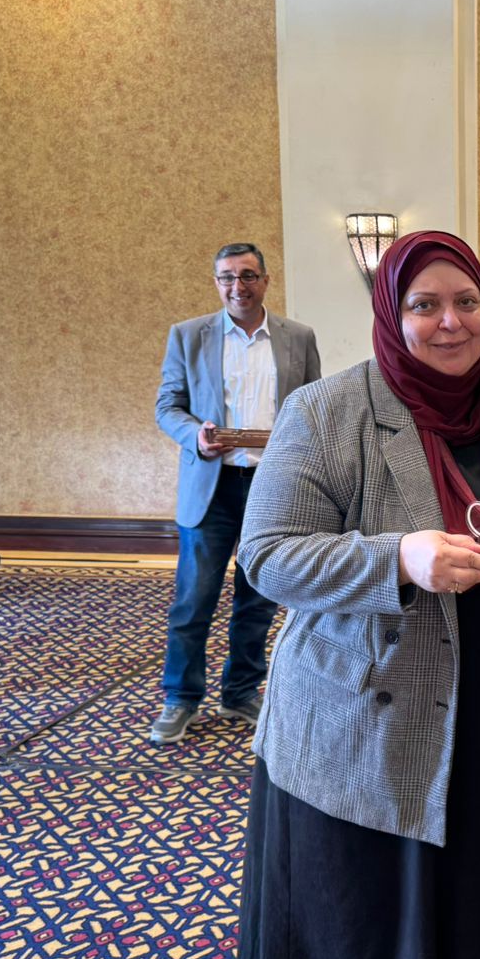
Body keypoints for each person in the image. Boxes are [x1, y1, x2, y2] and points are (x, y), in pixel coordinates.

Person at [232, 230, 480, 959]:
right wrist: (396, 559)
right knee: (377, 941)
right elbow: (267, 555)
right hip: (370, 730)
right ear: (391, 314)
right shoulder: (327, 413)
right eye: (425, 305)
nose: (451, 322)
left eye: (467, 302)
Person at [150, 242, 322, 746]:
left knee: (258, 600)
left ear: (265, 280)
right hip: (213, 486)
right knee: (193, 601)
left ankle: (241, 692)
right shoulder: (188, 335)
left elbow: (314, 406)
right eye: (226, 277)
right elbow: (167, 406)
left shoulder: (298, 337)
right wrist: (195, 436)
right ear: (216, 283)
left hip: (274, 488)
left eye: (247, 275)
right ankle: (181, 698)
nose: (237, 286)